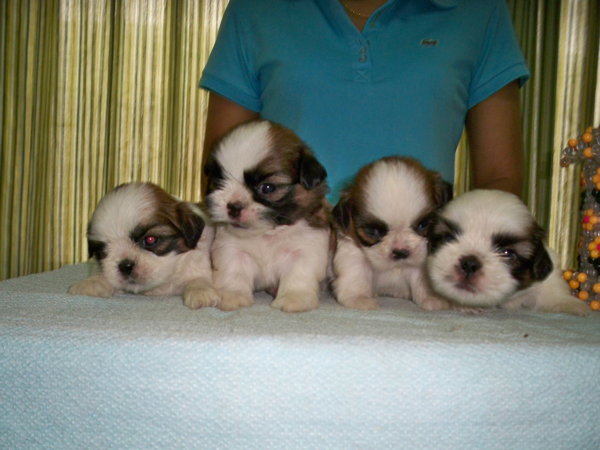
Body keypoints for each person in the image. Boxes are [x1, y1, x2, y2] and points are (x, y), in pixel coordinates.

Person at [199, 0, 530, 200]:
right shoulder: (254, 9)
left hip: (419, 266)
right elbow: (220, 172)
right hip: (282, 262)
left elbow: (500, 177)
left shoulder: (480, 10)